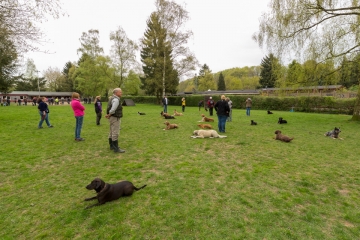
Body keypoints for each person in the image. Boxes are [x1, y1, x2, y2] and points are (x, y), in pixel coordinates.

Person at [106, 88, 125, 153]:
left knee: (111, 132)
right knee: (115, 133)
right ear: (116, 93)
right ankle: (116, 148)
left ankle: (112, 146)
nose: (121, 93)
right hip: (115, 118)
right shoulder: (116, 99)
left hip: (112, 117)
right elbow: (113, 109)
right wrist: (109, 114)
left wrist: (109, 114)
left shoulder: (111, 98)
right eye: (120, 92)